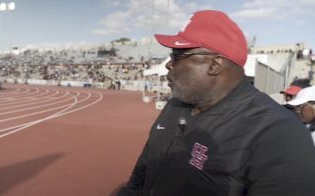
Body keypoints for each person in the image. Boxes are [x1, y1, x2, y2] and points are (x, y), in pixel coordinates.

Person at [118, 10, 315, 196]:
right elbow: (145, 166)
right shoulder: (176, 104)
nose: (169, 64)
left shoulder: (278, 136)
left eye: (177, 56)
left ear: (214, 65)